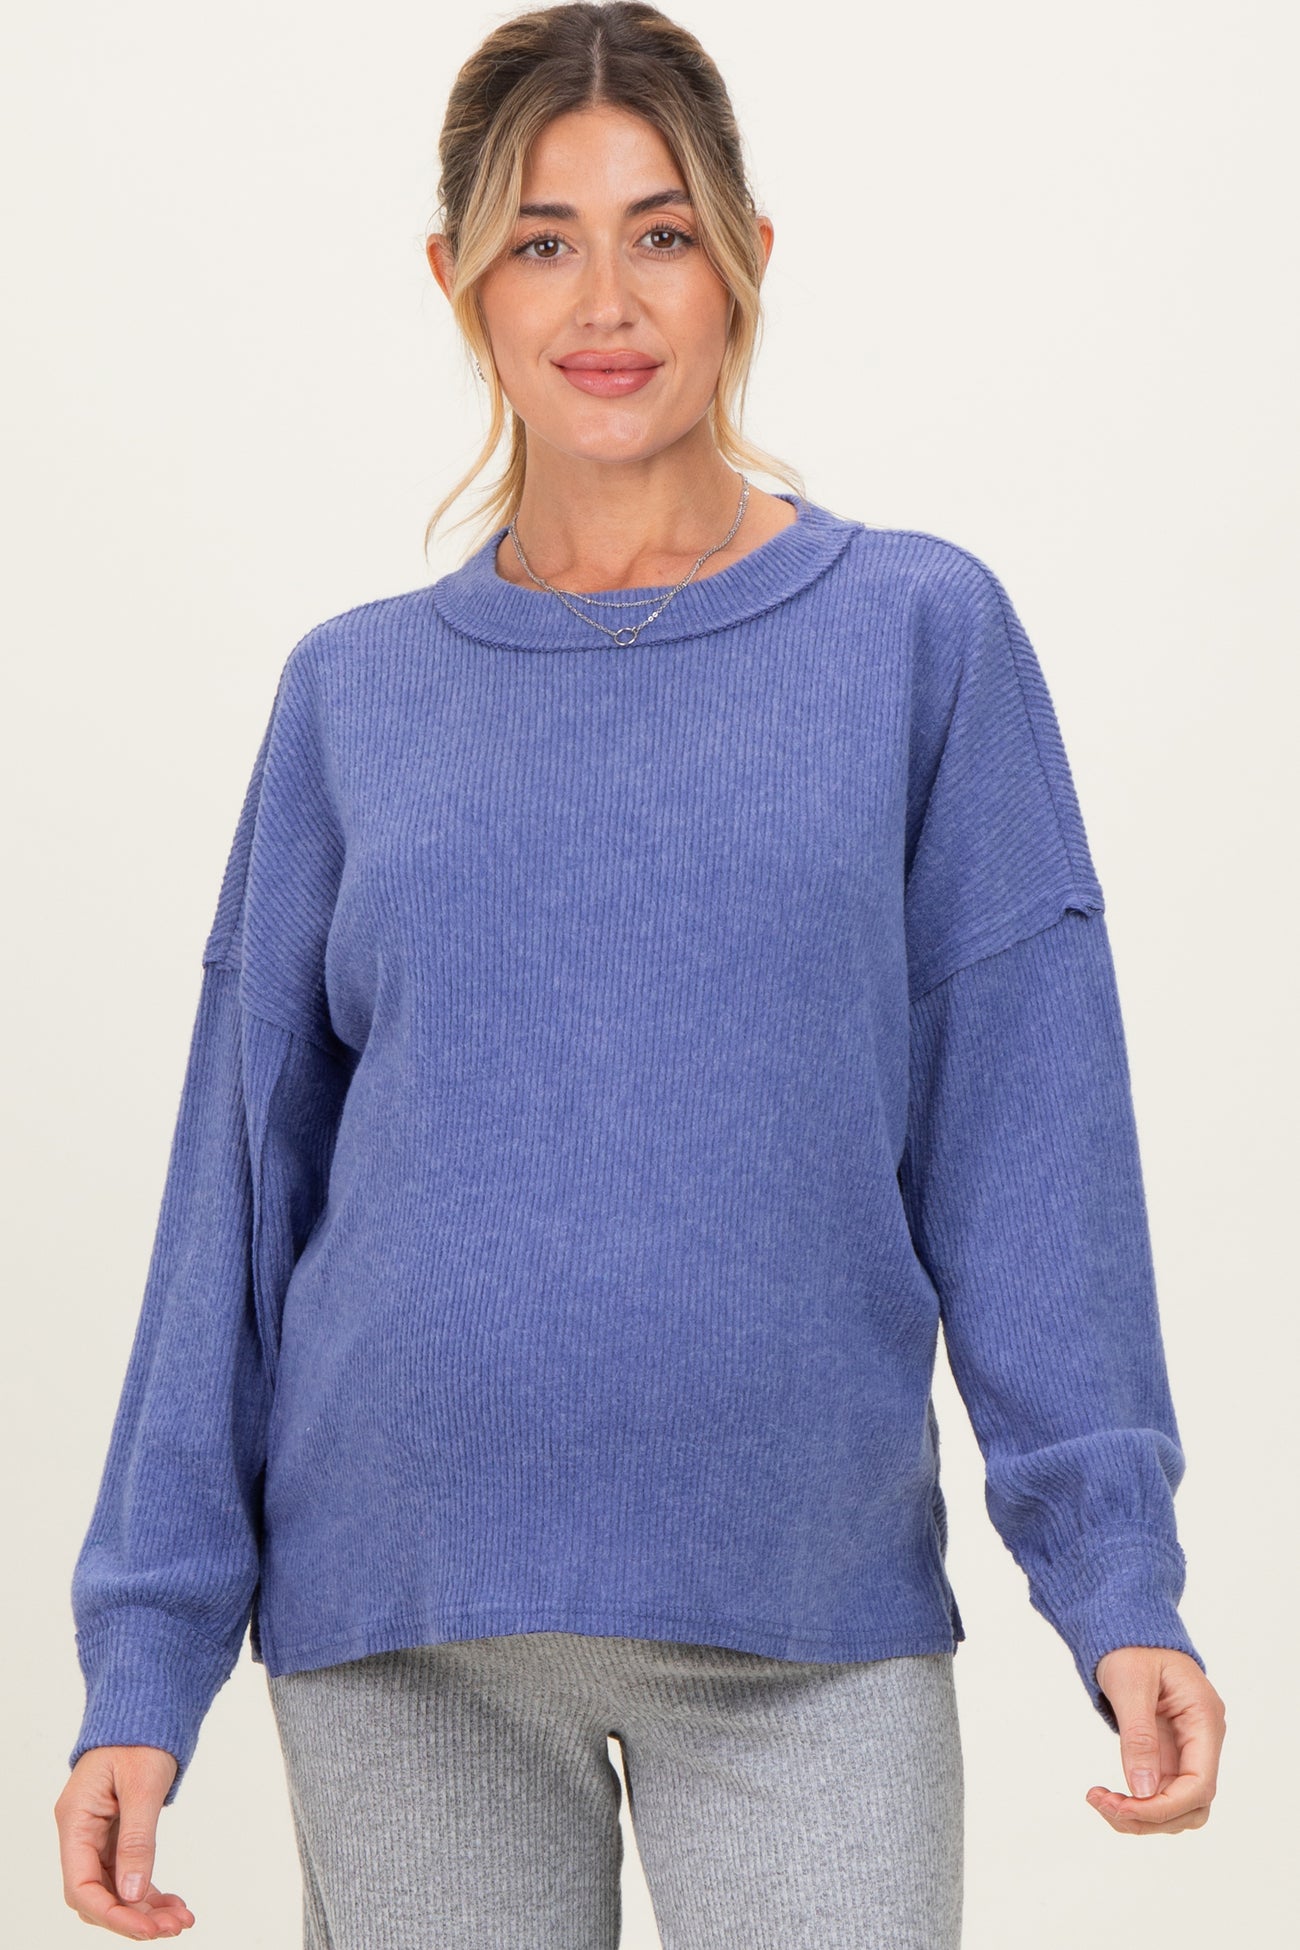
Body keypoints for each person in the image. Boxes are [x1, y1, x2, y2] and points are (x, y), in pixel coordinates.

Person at [55, 4, 1226, 1944]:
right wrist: (142, 1662)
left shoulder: (916, 639)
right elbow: (236, 1205)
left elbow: (1030, 1137)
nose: (604, 301)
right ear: (457, 281)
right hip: (405, 1624)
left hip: (806, 1618)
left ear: (747, 256)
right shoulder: (353, 696)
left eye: (659, 233)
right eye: (542, 240)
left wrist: (1117, 1579)